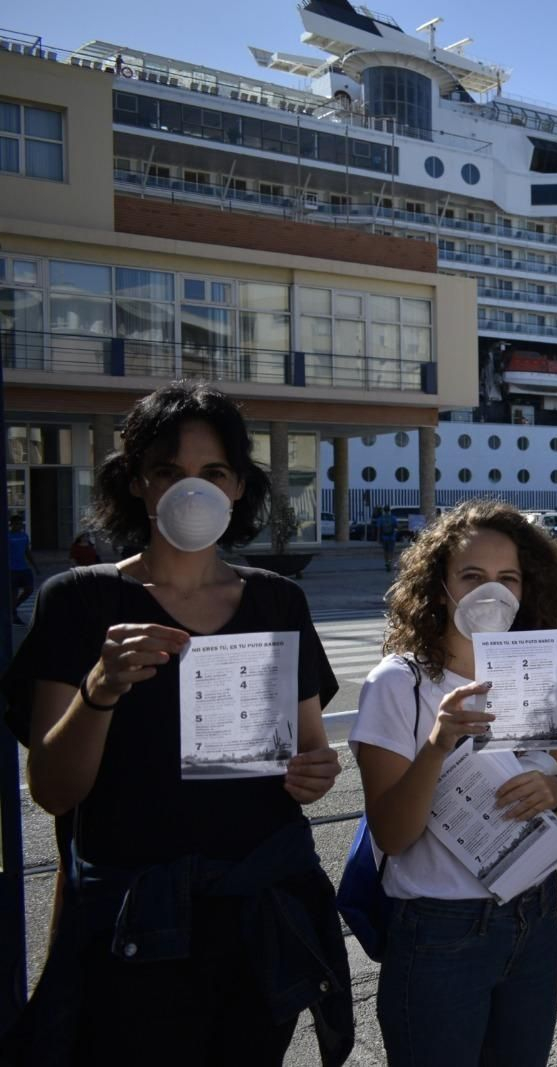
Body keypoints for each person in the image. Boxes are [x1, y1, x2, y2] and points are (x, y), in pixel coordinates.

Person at [0, 381, 351, 1064]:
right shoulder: (78, 600)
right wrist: (99, 689)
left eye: (213, 472)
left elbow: (312, 752)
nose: (193, 490)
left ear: (240, 485)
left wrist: (317, 771)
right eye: (169, 471)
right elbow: (53, 789)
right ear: (135, 481)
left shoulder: (278, 600)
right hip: (134, 928)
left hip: (259, 918)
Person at [350, 499, 557, 1067]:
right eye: (473, 576)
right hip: (439, 930)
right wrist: (438, 744)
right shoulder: (398, 684)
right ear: (440, 585)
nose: (492, 592)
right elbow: (393, 834)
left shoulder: (534, 667)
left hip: (532, 913)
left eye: (508, 578)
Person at [9, 512, 38, 623]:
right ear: (11, 524)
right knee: (13, 592)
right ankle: (14, 615)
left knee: (29, 589)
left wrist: (35, 567)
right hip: (12, 569)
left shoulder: (24, 536)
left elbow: (27, 552)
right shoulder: (7, 536)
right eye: (16, 524)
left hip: (23, 567)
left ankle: (13, 607)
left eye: (20, 524)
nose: (19, 526)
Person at [376, 505, 399, 571]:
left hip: (384, 537)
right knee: (391, 551)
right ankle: (390, 562)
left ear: (384, 510)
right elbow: (396, 527)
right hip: (392, 537)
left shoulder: (381, 518)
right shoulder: (393, 518)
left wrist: (378, 539)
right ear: (389, 510)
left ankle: (386, 562)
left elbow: (379, 529)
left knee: (385, 551)